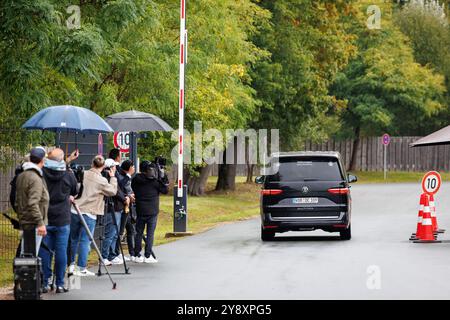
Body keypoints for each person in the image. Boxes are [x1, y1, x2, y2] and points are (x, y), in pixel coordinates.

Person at [69, 155, 117, 276]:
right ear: (104, 166)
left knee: (73, 239)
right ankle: (81, 268)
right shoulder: (101, 180)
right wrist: (112, 177)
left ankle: (70, 265)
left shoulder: (82, 174)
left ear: (92, 163)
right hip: (89, 213)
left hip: (75, 209)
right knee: (85, 241)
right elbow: (112, 191)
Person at [39, 148, 78, 293]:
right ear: (61, 160)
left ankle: (46, 281)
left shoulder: (42, 174)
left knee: (45, 250)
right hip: (62, 218)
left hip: (45, 217)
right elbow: (75, 191)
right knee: (61, 251)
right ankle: (60, 283)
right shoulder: (68, 175)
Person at [132, 160, 168, 263]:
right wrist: (162, 176)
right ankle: (147, 255)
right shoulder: (155, 182)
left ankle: (136, 254)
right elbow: (165, 190)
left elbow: (133, 188)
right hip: (152, 211)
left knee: (138, 233)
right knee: (150, 233)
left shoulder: (136, 179)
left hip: (140, 209)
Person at [15, 147, 49, 257]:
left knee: (26, 255)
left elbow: (17, 201)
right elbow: (33, 203)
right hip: (33, 223)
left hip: (26, 220)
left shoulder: (22, 175)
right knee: (29, 259)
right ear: (42, 160)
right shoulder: (35, 177)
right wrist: (40, 223)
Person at [101, 149, 130, 265]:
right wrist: (124, 199)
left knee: (114, 233)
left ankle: (111, 254)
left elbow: (118, 188)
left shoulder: (114, 177)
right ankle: (104, 255)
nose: (115, 169)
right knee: (110, 233)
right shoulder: (108, 179)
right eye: (112, 167)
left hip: (117, 207)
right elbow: (115, 191)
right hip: (111, 208)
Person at [116, 160, 136, 261]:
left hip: (129, 206)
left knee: (131, 230)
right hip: (123, 206)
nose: (134, 168)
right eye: (132, 166)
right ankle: (116, 252)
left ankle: (132, 253)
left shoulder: (128, 176)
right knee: (120, 231)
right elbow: (120, 186)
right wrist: (128, 175)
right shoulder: (120, 175)